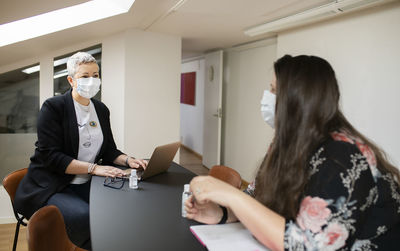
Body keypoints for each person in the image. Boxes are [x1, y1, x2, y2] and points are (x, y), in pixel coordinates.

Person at [185, 55, 400, 250]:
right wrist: (221, 213)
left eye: (274, 91)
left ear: (299, 101)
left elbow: (311, 246)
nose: (267, 99)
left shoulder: (345, 158)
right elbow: (257, 201)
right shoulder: (284, 145)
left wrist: (231, 196)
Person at [14, 52, 148, 249]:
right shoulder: (53, 107)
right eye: (85, 76)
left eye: (95, 75)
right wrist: (94, 168)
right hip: (52, 185)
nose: (92, 80)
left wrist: (128, 161)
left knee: (122, 207)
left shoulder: (101, 109)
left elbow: (109, 150)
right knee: (84, 217)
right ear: (71, 80)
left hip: (86, 183)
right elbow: (51, 157)